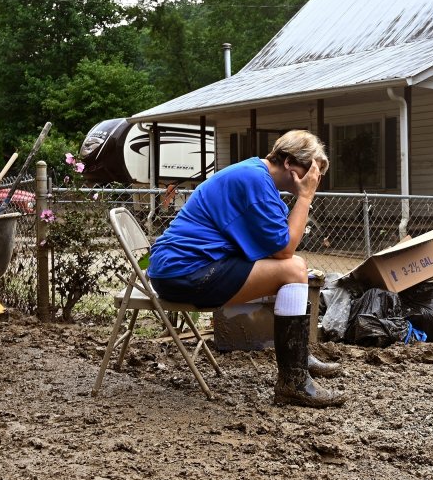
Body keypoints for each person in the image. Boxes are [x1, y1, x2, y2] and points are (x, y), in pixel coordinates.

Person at [147, 130, 345, 408]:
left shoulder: (257, 177)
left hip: (185, 266)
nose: (315, 179)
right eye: (311, 170)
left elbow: (273, 245)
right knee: (293, 268)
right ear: (289, 163)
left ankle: (297, 359)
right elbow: (285, 248)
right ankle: (294, 381)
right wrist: (305, 197)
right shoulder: (254, 181)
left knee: (293, 268)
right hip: (185, 271)